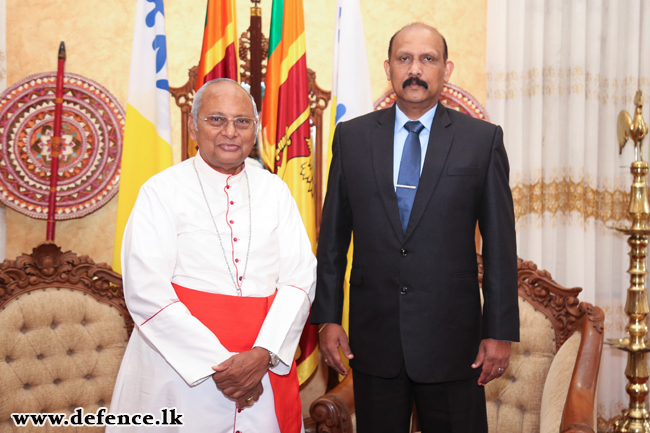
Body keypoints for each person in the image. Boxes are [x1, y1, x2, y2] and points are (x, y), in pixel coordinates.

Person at [311, 23, 519, 433]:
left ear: (447, 69)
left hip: (453, 344)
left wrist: (499, 331)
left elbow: (499, 244)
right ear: (388, 68)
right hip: (374, 341)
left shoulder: (481, 141)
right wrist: (328, 317)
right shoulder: (351, 138)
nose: (415, 70)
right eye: (405, 59)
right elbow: (332, 238)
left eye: (428, 59)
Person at [109, 78, 316, 433]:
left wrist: (262, 354)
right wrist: (223, 366)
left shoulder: (275, 191)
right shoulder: (161, 190)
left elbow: (300, 278)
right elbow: (146, 290)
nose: (230, 132)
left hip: (261, 363)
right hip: (179, 368)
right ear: (193, 125)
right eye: (216, 120)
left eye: (242, 121)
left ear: (256, 129)